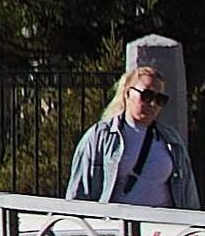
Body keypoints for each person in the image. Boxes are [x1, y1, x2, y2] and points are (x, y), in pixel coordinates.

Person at [63, 59, 189, 209]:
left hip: (161, 227)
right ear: (128, 93)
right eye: (147, 96)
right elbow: (78, 192)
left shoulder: (170, 139)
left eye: (160, 99)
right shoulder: (101, 136)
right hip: (117, 225)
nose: (153, 104)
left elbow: (187, 190)